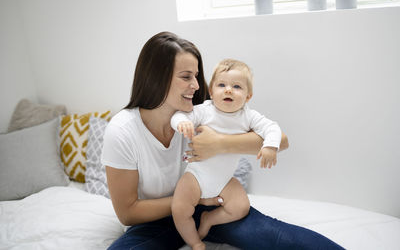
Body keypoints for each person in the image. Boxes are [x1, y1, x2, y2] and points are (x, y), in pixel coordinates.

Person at [101, 31, 345, 249]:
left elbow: (281, 140)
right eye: (186, 77)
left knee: (278, 238)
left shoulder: (202, 110)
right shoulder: (122, 130)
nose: (197, 86)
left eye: (196, 76)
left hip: (211, 207)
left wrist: (220, 143)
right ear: (157, 77)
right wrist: (190, 200)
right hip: (156, 221)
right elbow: (128, 213)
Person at [170, 58, 282, 249]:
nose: (228, 90)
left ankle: (209, 220)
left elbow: (272, 127)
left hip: (225, 180)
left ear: (248, 96)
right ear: (212, 92)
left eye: (237, 86)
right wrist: (182, 123)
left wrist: (270, 146)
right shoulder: (205, 111)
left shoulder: (248, 116)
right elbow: (179, 115)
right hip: (195, 176)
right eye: (222, 85)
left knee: (241, 207)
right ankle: (195, 242)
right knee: (179, 208)